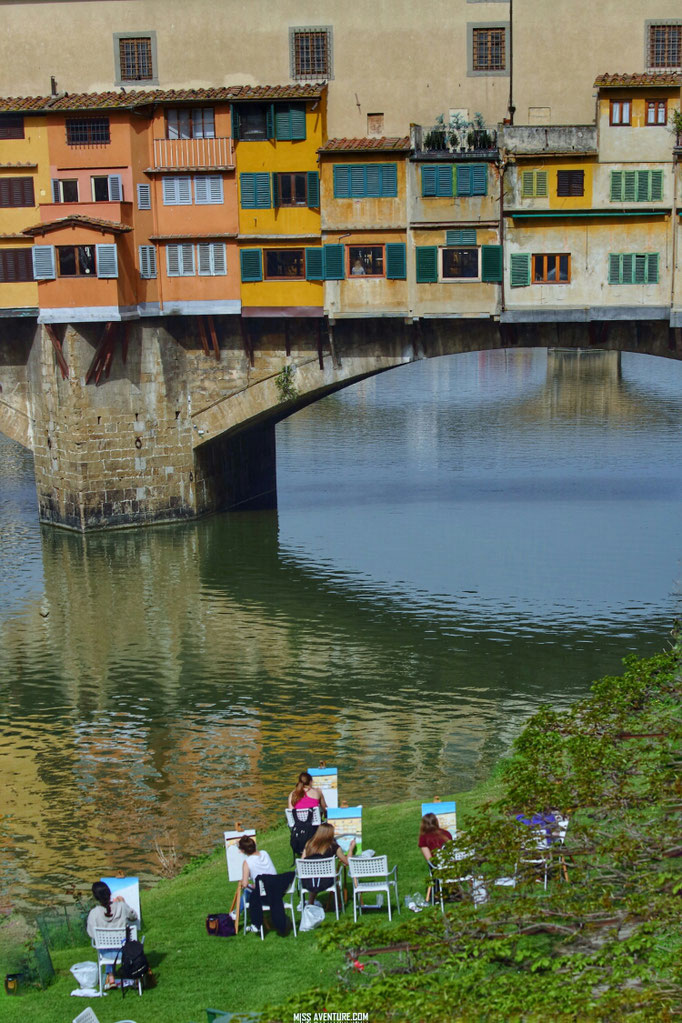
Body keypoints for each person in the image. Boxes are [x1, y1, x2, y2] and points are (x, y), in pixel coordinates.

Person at [301, 822, 355, 905]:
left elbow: (302, 862)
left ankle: (310, 903)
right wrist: (351, 849)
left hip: (309, 881)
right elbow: (347, 862)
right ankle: (338, 903)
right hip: (326, 881)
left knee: (316, 873)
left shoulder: (309, 844)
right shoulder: (332, 846)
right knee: (335, 876)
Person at [238, 834, 277, 918]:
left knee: (246, 891)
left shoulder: (247, 862)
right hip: (277, 891)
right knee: (254, 888)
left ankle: (237, 913)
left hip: (265, 895)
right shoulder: (264, 853)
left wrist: (245, 884)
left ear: (244, 851)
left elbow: (244, 884)